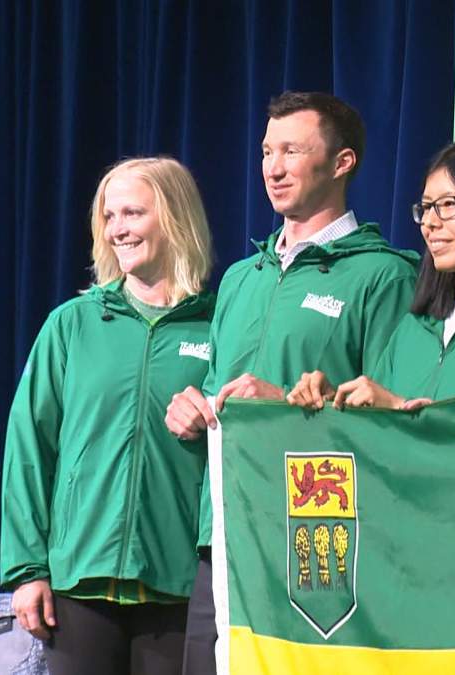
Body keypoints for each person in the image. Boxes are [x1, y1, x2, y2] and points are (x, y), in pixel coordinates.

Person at [162, 91, 417, 673]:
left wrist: (287, 406)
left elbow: (393, 425)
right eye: (266, 152)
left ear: (342, 162)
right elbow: (214, 387)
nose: (273, 169)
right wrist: (192, 410)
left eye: (292, 151)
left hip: (315, 545)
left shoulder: (383, 275)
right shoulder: (240, 279)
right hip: (226, 534)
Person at [0, 156, 216, 674]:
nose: (118, 229)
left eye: (133, 213)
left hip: (179, 584)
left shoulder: (218, 326)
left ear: (176, 217)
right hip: (80, 585)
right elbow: (29, 448)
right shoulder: (71, 325)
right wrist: (28, 570)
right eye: (109, 216)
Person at [285, 141, 455, 411]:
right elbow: (376, 431)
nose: (429, 222)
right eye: (427, 207)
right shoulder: (415, 326)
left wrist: (401, 410)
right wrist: (336, 403)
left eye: (448, 205)